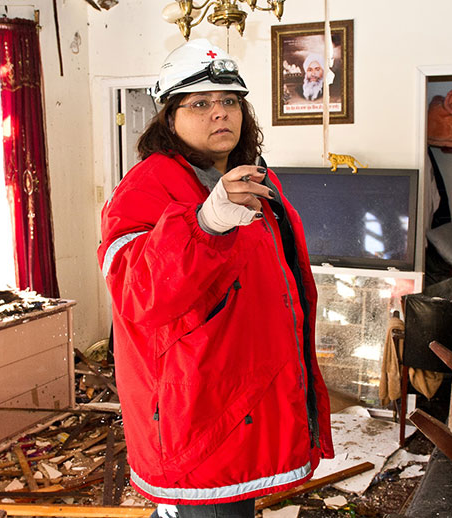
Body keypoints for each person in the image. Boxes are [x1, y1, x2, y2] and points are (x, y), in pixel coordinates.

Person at [97, 39, 334, 518]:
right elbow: (137, 292)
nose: (219, 113)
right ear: (169, 117)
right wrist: (203, 224)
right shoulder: (147, 184)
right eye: (200, 103)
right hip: (196, 411)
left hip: (240, 397)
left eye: (229, 101)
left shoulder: (252, 178)